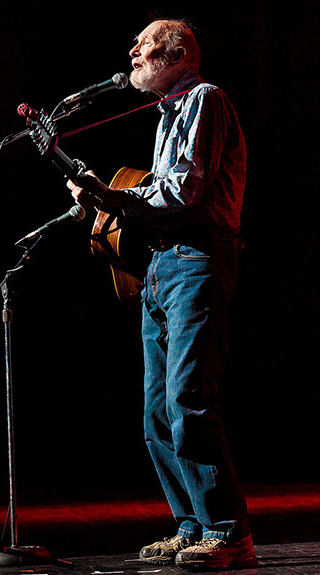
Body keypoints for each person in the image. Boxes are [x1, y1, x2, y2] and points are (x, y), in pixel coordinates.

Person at [67, 18, 257, 571]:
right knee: (156, 410)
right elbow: (158, 189)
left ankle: (228, 532)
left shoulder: (203, 98)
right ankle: (192, 523)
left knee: (188, 401)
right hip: (162, 265)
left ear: (175, 55)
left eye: (144, 44)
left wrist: (112, 195)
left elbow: (183, 189)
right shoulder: (168, 113)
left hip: (195, 259)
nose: (132, 51)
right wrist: (106, 196)